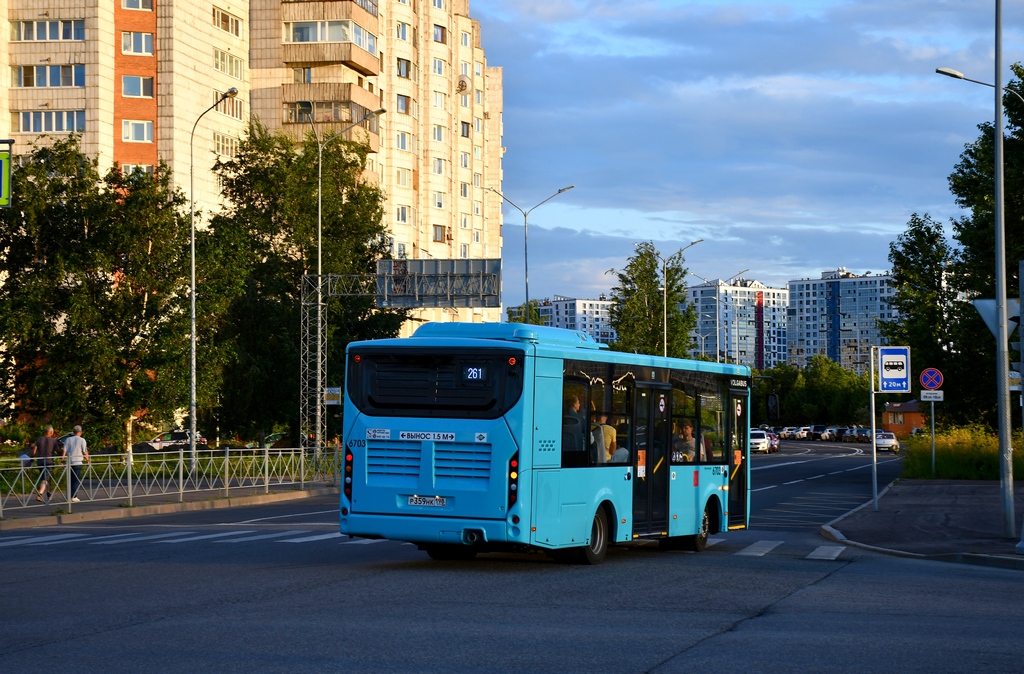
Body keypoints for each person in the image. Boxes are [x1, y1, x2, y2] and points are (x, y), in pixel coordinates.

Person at [30, 426, 59, 502]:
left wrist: (31, 458)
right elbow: (58, 450)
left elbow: (34, 451)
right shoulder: (54, 440)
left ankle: (48, 493)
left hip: (40, 461)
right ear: (51, 432)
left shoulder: (39, 439)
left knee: (45, 478)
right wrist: (63, 453)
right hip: (49, 461)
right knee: (46, 479)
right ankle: (39, 494)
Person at [63, 425, 91, 502]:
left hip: (69, 462)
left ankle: (69, 496)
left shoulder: (68, 439)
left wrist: (63, 460)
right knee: (75, 480)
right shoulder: (82, 440)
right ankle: (74, 496)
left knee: (69, 479)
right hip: (78, 462)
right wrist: (88, 460)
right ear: (80, 432)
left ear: (73, 432)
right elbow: (84, 451)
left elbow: (64, 451)